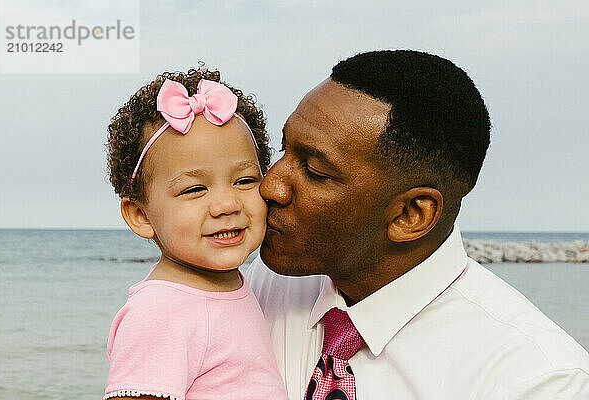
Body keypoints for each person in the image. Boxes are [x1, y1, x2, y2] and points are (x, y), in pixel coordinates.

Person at [244, 50, 589, 399]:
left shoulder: (536, 380)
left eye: (316, 172)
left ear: (412, 215)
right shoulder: (265, 283)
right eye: (283, 149)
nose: (270, 185)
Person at [104, 67, 288, 400]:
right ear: (141, 215)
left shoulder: (236, 288)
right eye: (194, 189)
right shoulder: (160, 312)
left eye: (245, 181)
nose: (226, 204)